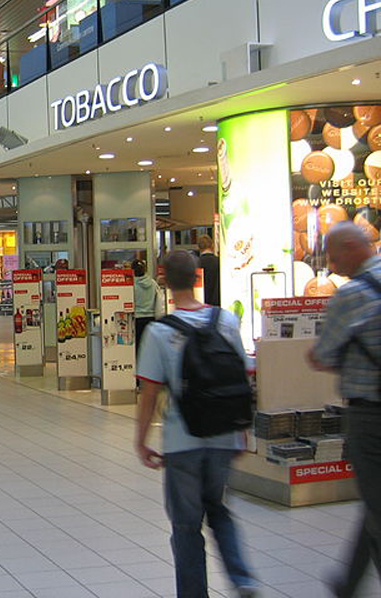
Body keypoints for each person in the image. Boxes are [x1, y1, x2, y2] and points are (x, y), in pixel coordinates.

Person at [135, 250, 258, 598]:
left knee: (186, 526)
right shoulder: (226, 322)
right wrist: (242, 428)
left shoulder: (160, 332)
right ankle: (242, 578)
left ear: (164, 279)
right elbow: (243, 378)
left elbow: (150, 393)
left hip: (181, 440)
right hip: (223, 435)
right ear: (197, 277)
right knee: (219, 509)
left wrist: (141, 440)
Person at [308, 222, 381, 598]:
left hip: (370, 415)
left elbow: (321, 353)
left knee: (375, 503)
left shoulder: (349, 296)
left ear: (353, 247)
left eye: (335, 258)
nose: (333, 267)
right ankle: (349, 583)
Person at [132, 259, 161, 352]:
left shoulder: (131, 285)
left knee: (137, 348)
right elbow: (159, 300)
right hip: (151, 319)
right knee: (149, 347)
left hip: (136, 319)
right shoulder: (153, 283)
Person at [197, 235, 220, 307]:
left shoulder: (196, 263)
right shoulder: (220, 262)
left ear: (199, 248)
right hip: (218, 302)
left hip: (201, 303)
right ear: (212, 246)